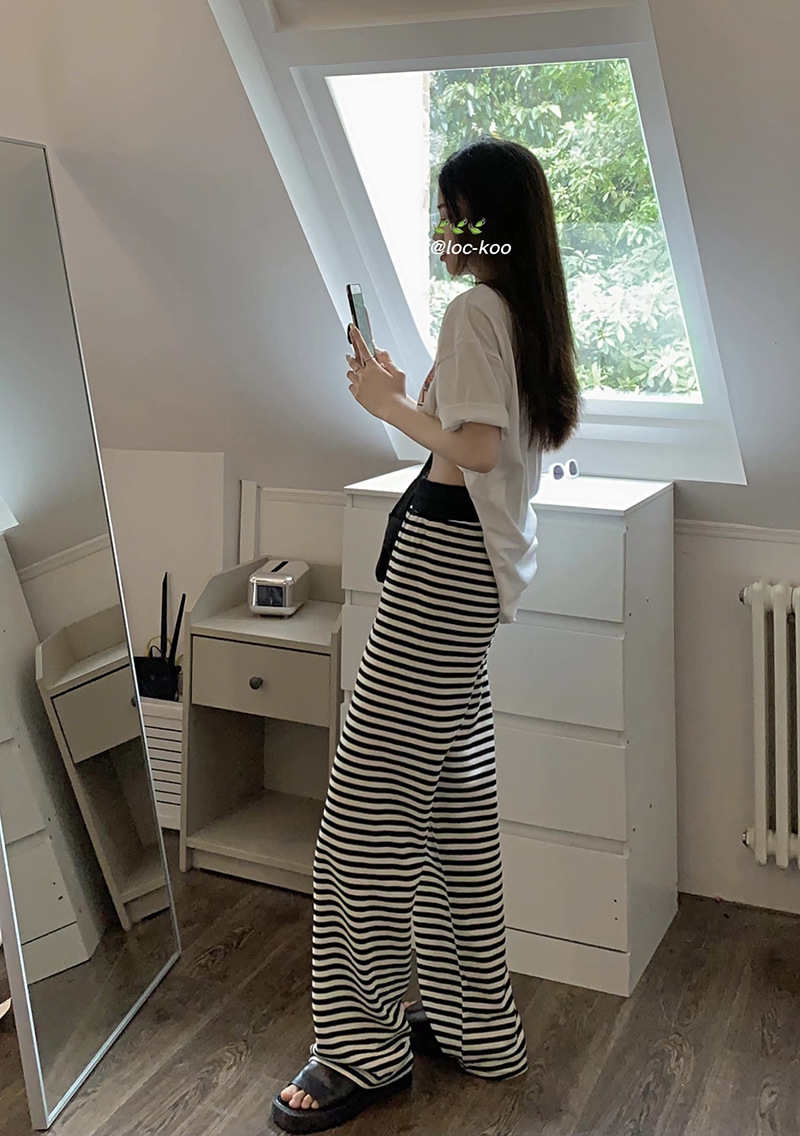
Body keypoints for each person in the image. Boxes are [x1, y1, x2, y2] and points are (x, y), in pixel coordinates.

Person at [272, 136, 582, 1134]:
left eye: (451, 213)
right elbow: (479, 442)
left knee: (360, 825)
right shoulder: (517, 313)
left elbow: (476, 450)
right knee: (451, 807)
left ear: (484, 221)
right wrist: (413, 398)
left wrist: (389, 405)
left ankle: (360, 1051)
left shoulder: (473, 310)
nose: (441, 229)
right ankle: (473, 1022)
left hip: (441, 578)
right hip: (467, 574)